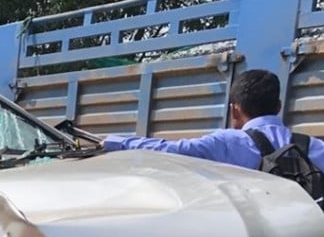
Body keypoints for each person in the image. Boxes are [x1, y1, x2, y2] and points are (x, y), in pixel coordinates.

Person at [103, 69, 324, 172]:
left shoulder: (226, 143)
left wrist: (115, 142)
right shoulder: (313, 147)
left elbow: (170, 150)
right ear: (278, 107)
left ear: (235, 110)